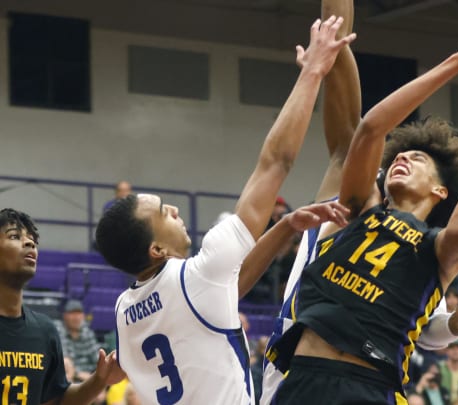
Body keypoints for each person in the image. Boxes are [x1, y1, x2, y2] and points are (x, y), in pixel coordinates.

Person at [94, 17, 356, 405]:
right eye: (164, 213)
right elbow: (276, 163)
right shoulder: (203, 271)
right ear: (156, 250)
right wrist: (313, 72)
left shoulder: (124, 309)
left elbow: (222, 293)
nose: (176, 210)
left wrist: (284, 227)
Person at [257, 1, 458, 403]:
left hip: (368, 379)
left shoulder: (427, 249)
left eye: (417, 159)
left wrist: (455, 322)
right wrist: (331, 44)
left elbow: (425, 331)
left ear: (440, 192)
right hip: (295, 364)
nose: (400, 160)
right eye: (398, 158)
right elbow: (362, 124)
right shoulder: (352, 202)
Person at [0, 208, 124, 405]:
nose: (30, 243)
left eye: (33, 240)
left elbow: (57, 401)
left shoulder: (44, 330)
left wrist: (99, 380)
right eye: (15, 236)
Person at [54, 299, 101, 381]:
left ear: (83, 316)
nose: (76, 317)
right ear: (64, 316)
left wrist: (95, 376)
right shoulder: (59, 331)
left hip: (89, 376)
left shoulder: (88, 333)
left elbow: (97, 359)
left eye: (79, 313)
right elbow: (64, 361)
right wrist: (78, 374)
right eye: (72, 313)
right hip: (68, 376)